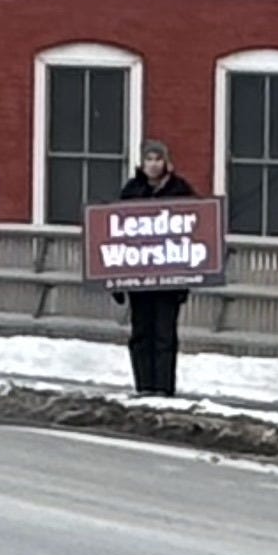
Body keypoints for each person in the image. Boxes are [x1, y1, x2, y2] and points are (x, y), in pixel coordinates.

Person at [110, 140, 198, 398]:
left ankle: (164, 388)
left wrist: (187, 278)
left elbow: (195, 230)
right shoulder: (131, 191)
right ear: (142, 163)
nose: (153, 164)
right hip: (138, 280)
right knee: (141, 333)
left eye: (158, 159)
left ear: (166, 162)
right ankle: (144, 386)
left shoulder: (180, 191)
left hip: (170, 279)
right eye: (149, 159)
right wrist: (115, 280)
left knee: (164, 334)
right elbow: (115, 234)